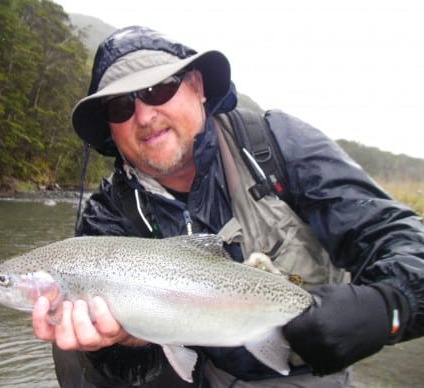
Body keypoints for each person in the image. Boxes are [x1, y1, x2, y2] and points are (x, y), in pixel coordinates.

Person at [32, 25, 424, 387]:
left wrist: (388, 308)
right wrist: (118, 342)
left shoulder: (277, 147)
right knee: (72, 347)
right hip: (192, 374)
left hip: (303, 372)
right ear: (110, 130)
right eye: (120, 107)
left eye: (158, 90)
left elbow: (401, 239)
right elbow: (129, 373)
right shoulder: (108, 215)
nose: (145, 115)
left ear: (198, 86)